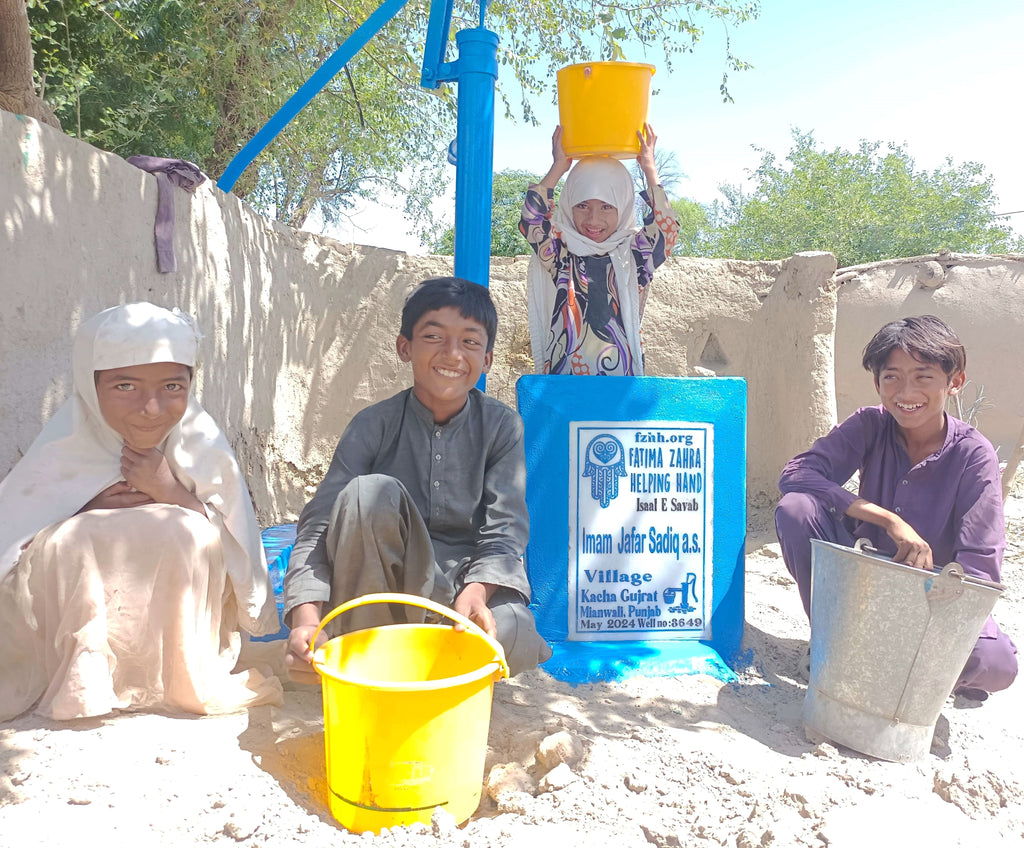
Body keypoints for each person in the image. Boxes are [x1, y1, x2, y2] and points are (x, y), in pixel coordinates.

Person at [0, 303, 283, 721]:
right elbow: (12, 544)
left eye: (172, 387)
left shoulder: (201, 448)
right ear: (90, 386)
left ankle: (175, 679)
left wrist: (172, 492)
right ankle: (83, 681)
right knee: (71, 539)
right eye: (125, 387)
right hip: (55, 641)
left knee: (190, 530)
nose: (151, 408)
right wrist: (81, 509)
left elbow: (235, 542)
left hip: (179, 642)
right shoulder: (59, 453)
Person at [283, 277, 551, 682]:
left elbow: (505, 532)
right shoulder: (372, 424)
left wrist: (476, 592)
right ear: (404, 347)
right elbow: (317, 528)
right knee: (367, 494)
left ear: (488, 358)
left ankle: (401, 656)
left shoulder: (501, 427)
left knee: (510, 634)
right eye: (434, 336)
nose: (452, 354)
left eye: (470, 342)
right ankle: (375, 650)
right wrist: (306, 621)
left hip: (464, 585)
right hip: (378, 592)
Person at [775, 315, 1017, 700]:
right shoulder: (870, 425)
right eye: (892, 377)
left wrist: (931, 615)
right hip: (862, 582)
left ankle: (906, 665)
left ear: (954, 382)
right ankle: (831, 642)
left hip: (932, 599)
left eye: (923, 376)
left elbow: (979, 567)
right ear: (877, 383)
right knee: (796, 510)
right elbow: (797, 474)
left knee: (995, 661)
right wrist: (888, 520)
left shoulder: (974, 454)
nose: (906, 391)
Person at [519, 123, 680, 376]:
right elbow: (531, 220)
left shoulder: (633, 257)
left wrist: (650, 169)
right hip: (564, 382)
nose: (593, 220)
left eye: (607, 207)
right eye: (582, 205)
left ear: (624, 206)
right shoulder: (562, 256)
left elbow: (666, 230)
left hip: (620, 389)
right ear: (570, 203)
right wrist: (558, 167)